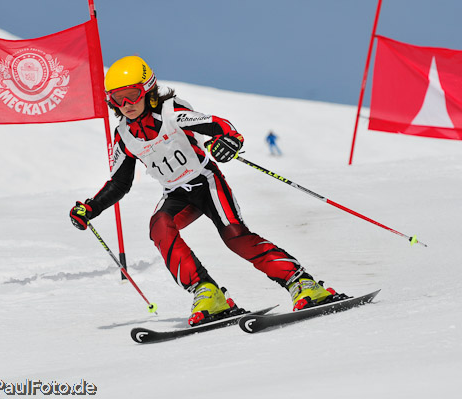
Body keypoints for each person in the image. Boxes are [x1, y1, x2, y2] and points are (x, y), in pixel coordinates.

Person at [70, 56, 338, 326]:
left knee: (235, 237)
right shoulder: (124, 136)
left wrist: (229, 141)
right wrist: (91, 208)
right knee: (159, 226)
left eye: (132, 95)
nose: (126, 105)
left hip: (206, 182)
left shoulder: (171, 113)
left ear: (148, 91)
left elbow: (219, 125)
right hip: (176, 195)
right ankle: (207, 293)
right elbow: (119, 182)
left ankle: (302, 283)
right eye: (117, 99)